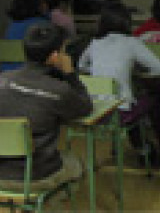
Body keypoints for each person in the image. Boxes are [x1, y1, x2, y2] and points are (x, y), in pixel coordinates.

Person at [0, 22, 92, 192]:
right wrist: (70, 74)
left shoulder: (2, 79)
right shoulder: (59, 91)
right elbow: (85, 107)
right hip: (35, 176)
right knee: (79, 164)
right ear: (55, 57)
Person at [78, 2, 160, 161]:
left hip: (95, 110)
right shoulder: (131, 42)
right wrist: (139, 71)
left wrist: (97, 71)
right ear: (126, 21)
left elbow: (81, 65)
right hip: (119, 113)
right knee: (151, 100)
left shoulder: (95, 43)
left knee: (131, 103)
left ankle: (143, 148)